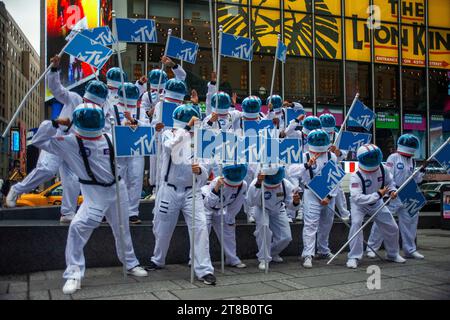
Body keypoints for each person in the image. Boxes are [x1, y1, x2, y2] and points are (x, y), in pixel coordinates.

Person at [31, 103, 148, 295]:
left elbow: (140, 144)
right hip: (94, 193)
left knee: (122, 229)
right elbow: (39, 141)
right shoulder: (69, 142)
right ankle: (74, 273)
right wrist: (53, 123)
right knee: (78, 227)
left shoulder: (111, 138)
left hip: (118, 190)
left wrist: (133, 129)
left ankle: (130, 263)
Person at [6, 56, 109, 223]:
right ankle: (17, 189)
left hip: (73, 148)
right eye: (88, 102)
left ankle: (67, 213)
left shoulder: (100, 114)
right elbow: (56, 89)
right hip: (57, 140)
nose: (89, 106)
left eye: (94, 105)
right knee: (47, 169)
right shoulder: (74, 98)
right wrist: (54, 70)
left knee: (73, 179)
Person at [147, 104, 217, 286]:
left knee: (200, 227)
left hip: (191, 191)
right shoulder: (169, 134)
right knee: (162, 228)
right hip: (169, 189)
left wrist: (200, 170)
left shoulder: (203, 140)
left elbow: (207, 165)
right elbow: (171, 147)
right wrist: (185, 130)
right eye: (189, 127)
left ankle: (204, 269)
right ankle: (158, 259)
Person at [366, 134, 426, 260]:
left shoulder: (413, 161)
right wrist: (389, 191)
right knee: (382, 220)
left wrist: (421, 172)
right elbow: (388, 176)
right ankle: (372, 248)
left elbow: (416, 180)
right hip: (394, 192)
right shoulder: (393, 157)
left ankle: (410, 250)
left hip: (410, 191)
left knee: (411, 223)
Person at [346, 144, 405, 269]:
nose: (372, 161)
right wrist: (378, 194)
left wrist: (391, 192)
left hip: (377, 203)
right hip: (359, 205)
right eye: (369, 158)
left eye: (374, 158)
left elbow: (390, 183)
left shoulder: (383, 169)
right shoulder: (356, 176)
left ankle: (393, 254)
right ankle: (354, 256)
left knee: (392, 227)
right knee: (356, 224)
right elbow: (357, 198)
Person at [289, 129, 338, 268]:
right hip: (310, 192)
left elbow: (335, 177)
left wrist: (329, 196)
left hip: (328, 193)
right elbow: (291, 171)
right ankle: (308, 254)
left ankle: (323, 250)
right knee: (310, 225)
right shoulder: (304, 156)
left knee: (326, 224)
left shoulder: (331, 156)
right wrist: (307, 165)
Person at [247, 166, 300, 271]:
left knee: (286, 237)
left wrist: (296, 202)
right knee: (264, 228)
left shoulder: (285, 184)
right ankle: (264, 258)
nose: (273, 179)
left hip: (278, 208)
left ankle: (271, 252)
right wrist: (258, 184)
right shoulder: (256, 183)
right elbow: (251, 202)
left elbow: (291, 204)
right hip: (262, 208)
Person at [111, 82, 150, 224]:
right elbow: (108, 126)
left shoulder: (140, 110)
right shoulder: (113, 107)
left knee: (136, 179)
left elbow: (147, 126)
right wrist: (123, 125)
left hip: (137, 148)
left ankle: (132, 212)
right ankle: (115, 210)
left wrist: (134, 121)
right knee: (118, 179)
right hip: (119, 148)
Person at [202, 164, 248, 269]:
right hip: (206, 207)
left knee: (228, 232)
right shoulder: (218, 181)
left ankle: (232, 259)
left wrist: (230, 218)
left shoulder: (243, 185)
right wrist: (217, 187)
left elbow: (236, 204)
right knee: (202, 233)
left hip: (221, 209)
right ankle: (195, 259)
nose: (236, 175)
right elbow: (209, 203)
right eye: (233, 172)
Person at [319, 113, 351, 222]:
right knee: (313, 189)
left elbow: (345, 154)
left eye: (330, 131)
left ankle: (344, 212)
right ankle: (306, 212)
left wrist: (337, 152)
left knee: (339, 191)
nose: (328, 133)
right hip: (319, 165)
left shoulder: (339, 135)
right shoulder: (317, 135)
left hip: (335, 165)